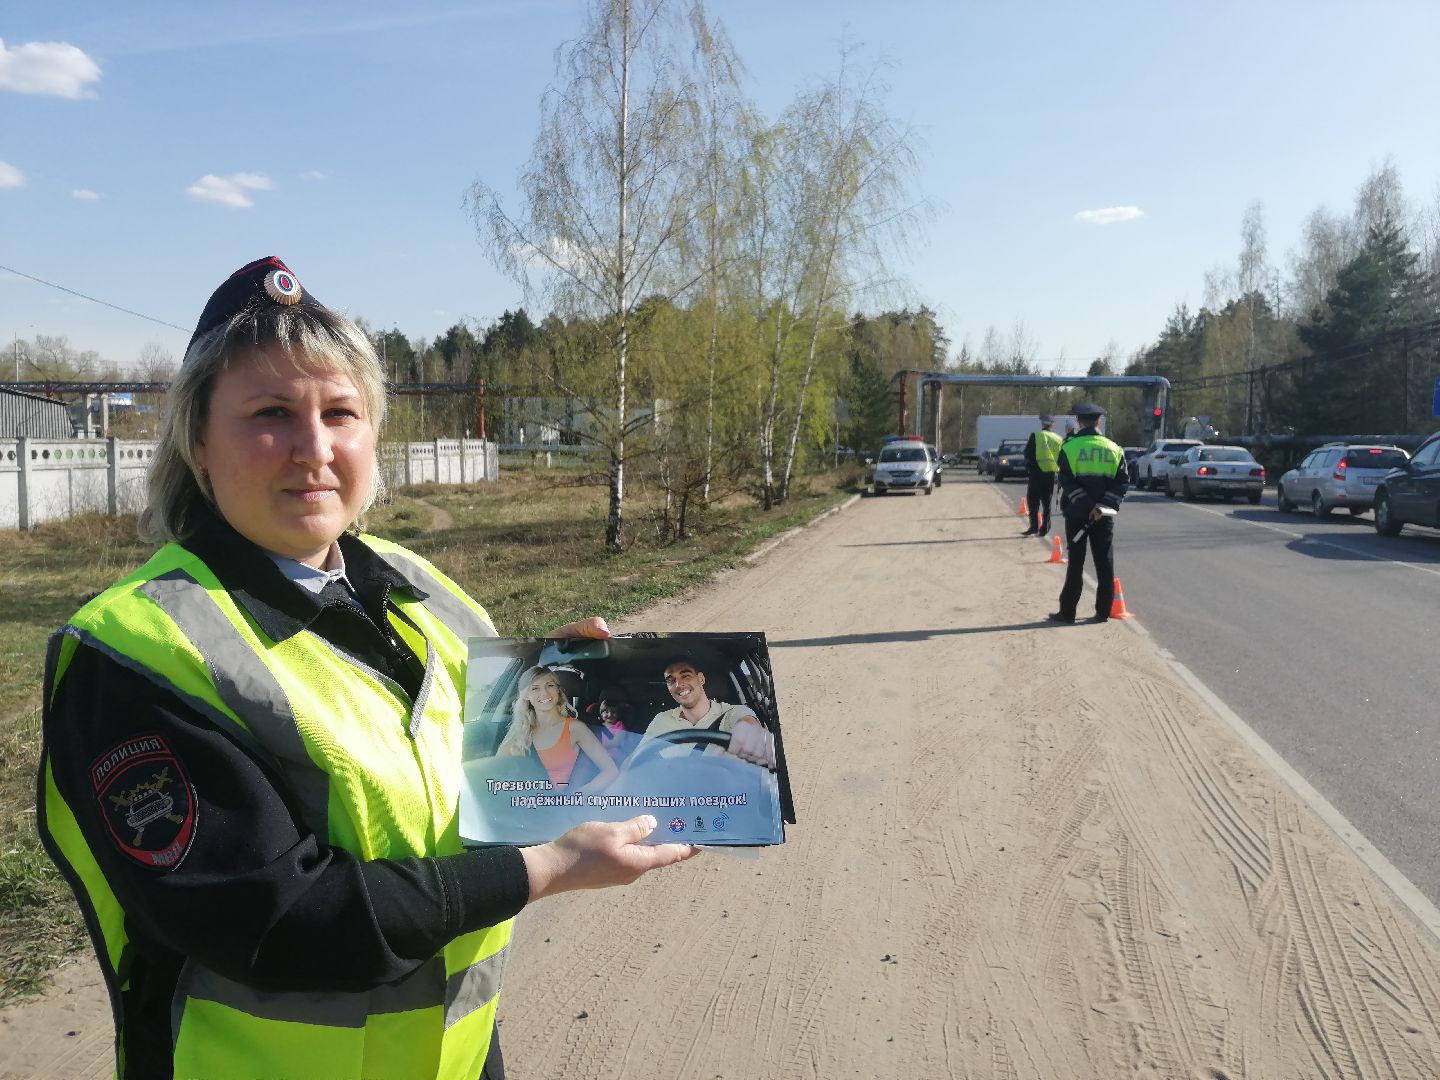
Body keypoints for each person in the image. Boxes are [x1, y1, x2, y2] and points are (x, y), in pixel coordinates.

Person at [34, 256, 699, 1080]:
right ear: (198, 443)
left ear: (373, 435)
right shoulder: (135, 651)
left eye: (341, 412)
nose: (313, 449)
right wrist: (547, 870)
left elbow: (477, 779)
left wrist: (544, 687)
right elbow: (278, 918)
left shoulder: (426, 592)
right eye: (271, 413)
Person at [1049, 401, 1128, 624]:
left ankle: (1068, 612)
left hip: (1077, 514)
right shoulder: (1114, 448)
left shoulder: (1070, 447)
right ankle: (1103, 612)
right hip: (1104, 516)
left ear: (1079, 422)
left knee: (1076, 563)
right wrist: (1101, 507)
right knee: (1105, 562)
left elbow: (1066, 480)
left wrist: (1086, 506)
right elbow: (1122, 482)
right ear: (1099, 421)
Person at [631, 654, 776, 767]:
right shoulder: (661, 720)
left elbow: (747, 723)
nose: (679, 684)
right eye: (671, 680)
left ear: (700, 679)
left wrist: (751, 732)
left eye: (685, 675)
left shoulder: (732, 712)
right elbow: (635, 762)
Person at [497, 665, 619, 789]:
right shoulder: (519, 729)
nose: (544, 693)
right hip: (520, 801)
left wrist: (579, 796)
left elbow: (610, 771)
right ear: (526, 695)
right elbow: (495, 769)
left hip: (552, 804)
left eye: (550, 685)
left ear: (558, 690)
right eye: (535, 689)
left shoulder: (575, 728)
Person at [1020, 414, 1062, 536]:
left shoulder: (1036, 436)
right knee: (1046, 503)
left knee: (1033, 501)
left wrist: (1029, 467)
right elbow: (1061, 457)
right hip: (1050, 474)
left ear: (1042, 424)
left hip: (1036, 474)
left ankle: (1034, 526)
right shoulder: (1058, 439)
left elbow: (1028, 453)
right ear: (1052, 425)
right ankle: (1045, 528)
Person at [590, 686, 635, 764]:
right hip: (600, 756)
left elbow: (616, 742)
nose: (610, 715)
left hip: (615, 758)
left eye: (613, 712)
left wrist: (597, 746)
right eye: (606, 712)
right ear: (601, 713)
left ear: (618, 714)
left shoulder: (619, 726)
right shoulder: (598, 725)